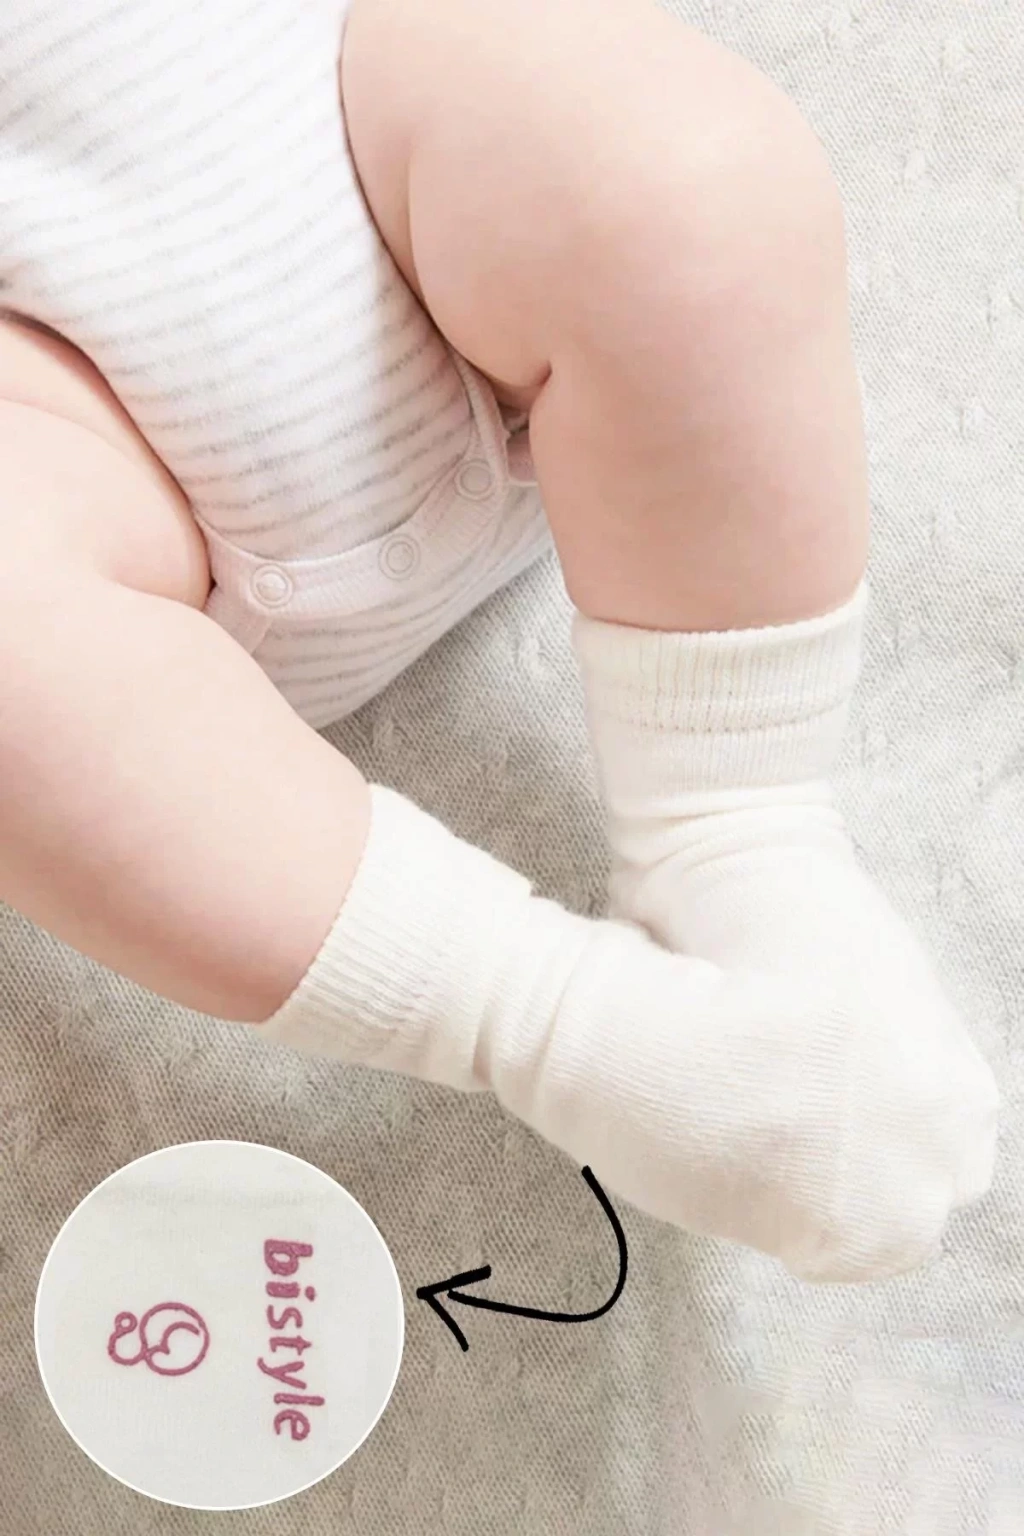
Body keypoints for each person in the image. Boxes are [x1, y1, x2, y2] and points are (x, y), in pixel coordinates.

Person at [0, 0, 998, 1283]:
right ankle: (560, 1023)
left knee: (673, 177)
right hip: (72, 444)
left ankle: (737, 833)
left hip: (358, 128)